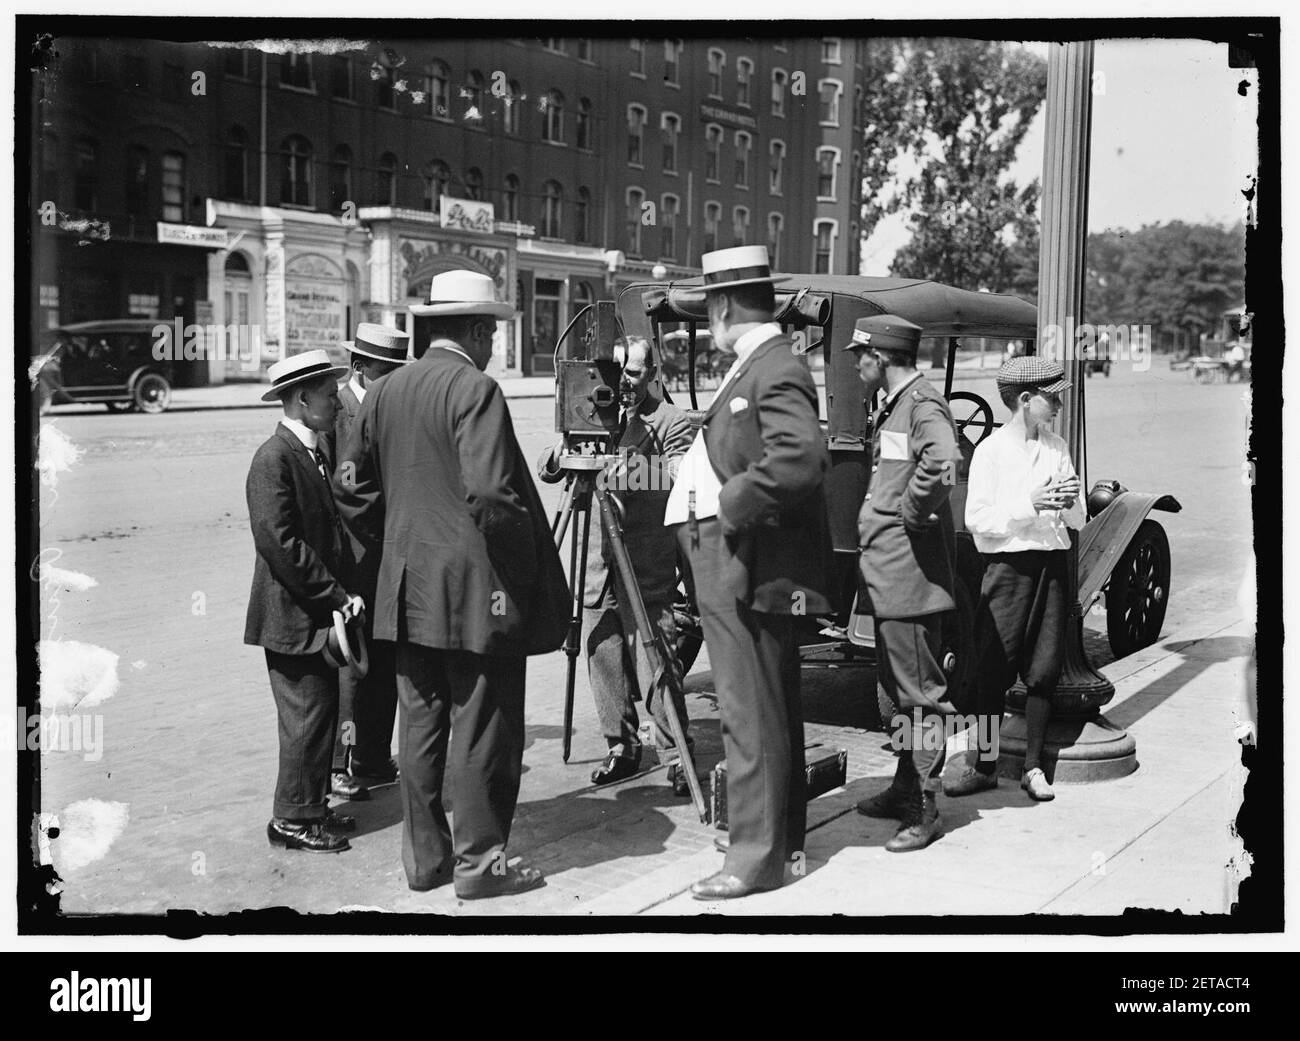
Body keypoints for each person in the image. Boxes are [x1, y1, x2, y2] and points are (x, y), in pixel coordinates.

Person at [335, 270, 568, 899]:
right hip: (475, 593)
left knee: (421, 724)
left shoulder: (383, 391)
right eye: (491, 330)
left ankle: (426, 863)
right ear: (473, 329)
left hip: (407, 591)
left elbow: (352, 491)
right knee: (482, 725)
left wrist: (401, 547)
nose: (494, 343)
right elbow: (493, 493)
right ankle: (481, 865)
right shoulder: (476, 388)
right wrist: (517, 571)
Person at [664, 245, 833, 900]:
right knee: (767, 706)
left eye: (708, 309)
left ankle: (754, 856)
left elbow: (800, 459)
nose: (709, 321)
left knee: (748, 711)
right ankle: (779, 843)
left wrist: (728, 506)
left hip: (746, 562)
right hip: (740, 563)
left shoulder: (773, 365)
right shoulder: (760, 365)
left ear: (723, 306)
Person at [537, 337, 695, 793]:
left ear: (653, 373)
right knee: (601, 652)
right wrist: (566, 451)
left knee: (653, 659)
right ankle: (621, 746)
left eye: (633, 373)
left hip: (642, 560)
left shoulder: (670, 422)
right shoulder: (592, 409)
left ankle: (676, 753)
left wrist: (622, 469)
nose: (623, 384)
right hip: (595, 563)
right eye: (618, 372)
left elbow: (679, 477)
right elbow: (552, 467)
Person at [846, 315, 962, 853]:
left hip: (910, 577)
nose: (855, 362)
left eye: (860, 354)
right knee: (895, 693)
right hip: (891, 573)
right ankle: (902, 787)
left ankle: (925, 807)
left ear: (883, 356)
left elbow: (942, 465)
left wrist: (910, 516)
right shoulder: (896, 404)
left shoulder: (921, 404)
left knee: (920, 697)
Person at [244, 349, 363, 854]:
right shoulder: (273, 459)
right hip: (292, 615)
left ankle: (312, 808)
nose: (338, 403)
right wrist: (334, 593)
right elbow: (280, 543)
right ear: (302, 398)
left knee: (320, 714)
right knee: (305, 718)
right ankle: (290, 820)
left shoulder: (313, 451)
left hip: (314, 612)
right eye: (330, 394)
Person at [954, 356, 1084, 802]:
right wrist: (1030, 503)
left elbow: (1079, 517)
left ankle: (1033, 768)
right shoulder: (991, 451)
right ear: (1025, 400)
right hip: (1007, 571)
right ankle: (985, 767)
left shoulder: (1057, 445)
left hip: (1051, 567)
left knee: (1044, 671)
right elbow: (979, 521)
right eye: (1053, 398)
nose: (1059, 406)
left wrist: (1067, 502)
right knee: (992, 672)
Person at [327, 323, 410, 801]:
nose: (395, 379)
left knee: (385, 659)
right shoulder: (336, 410)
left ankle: (376, 757)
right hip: (350, 559)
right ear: (360, 367)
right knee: (349, 664)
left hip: (389, 557)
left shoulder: (394, 405)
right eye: (387, 371)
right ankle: (341, 762)